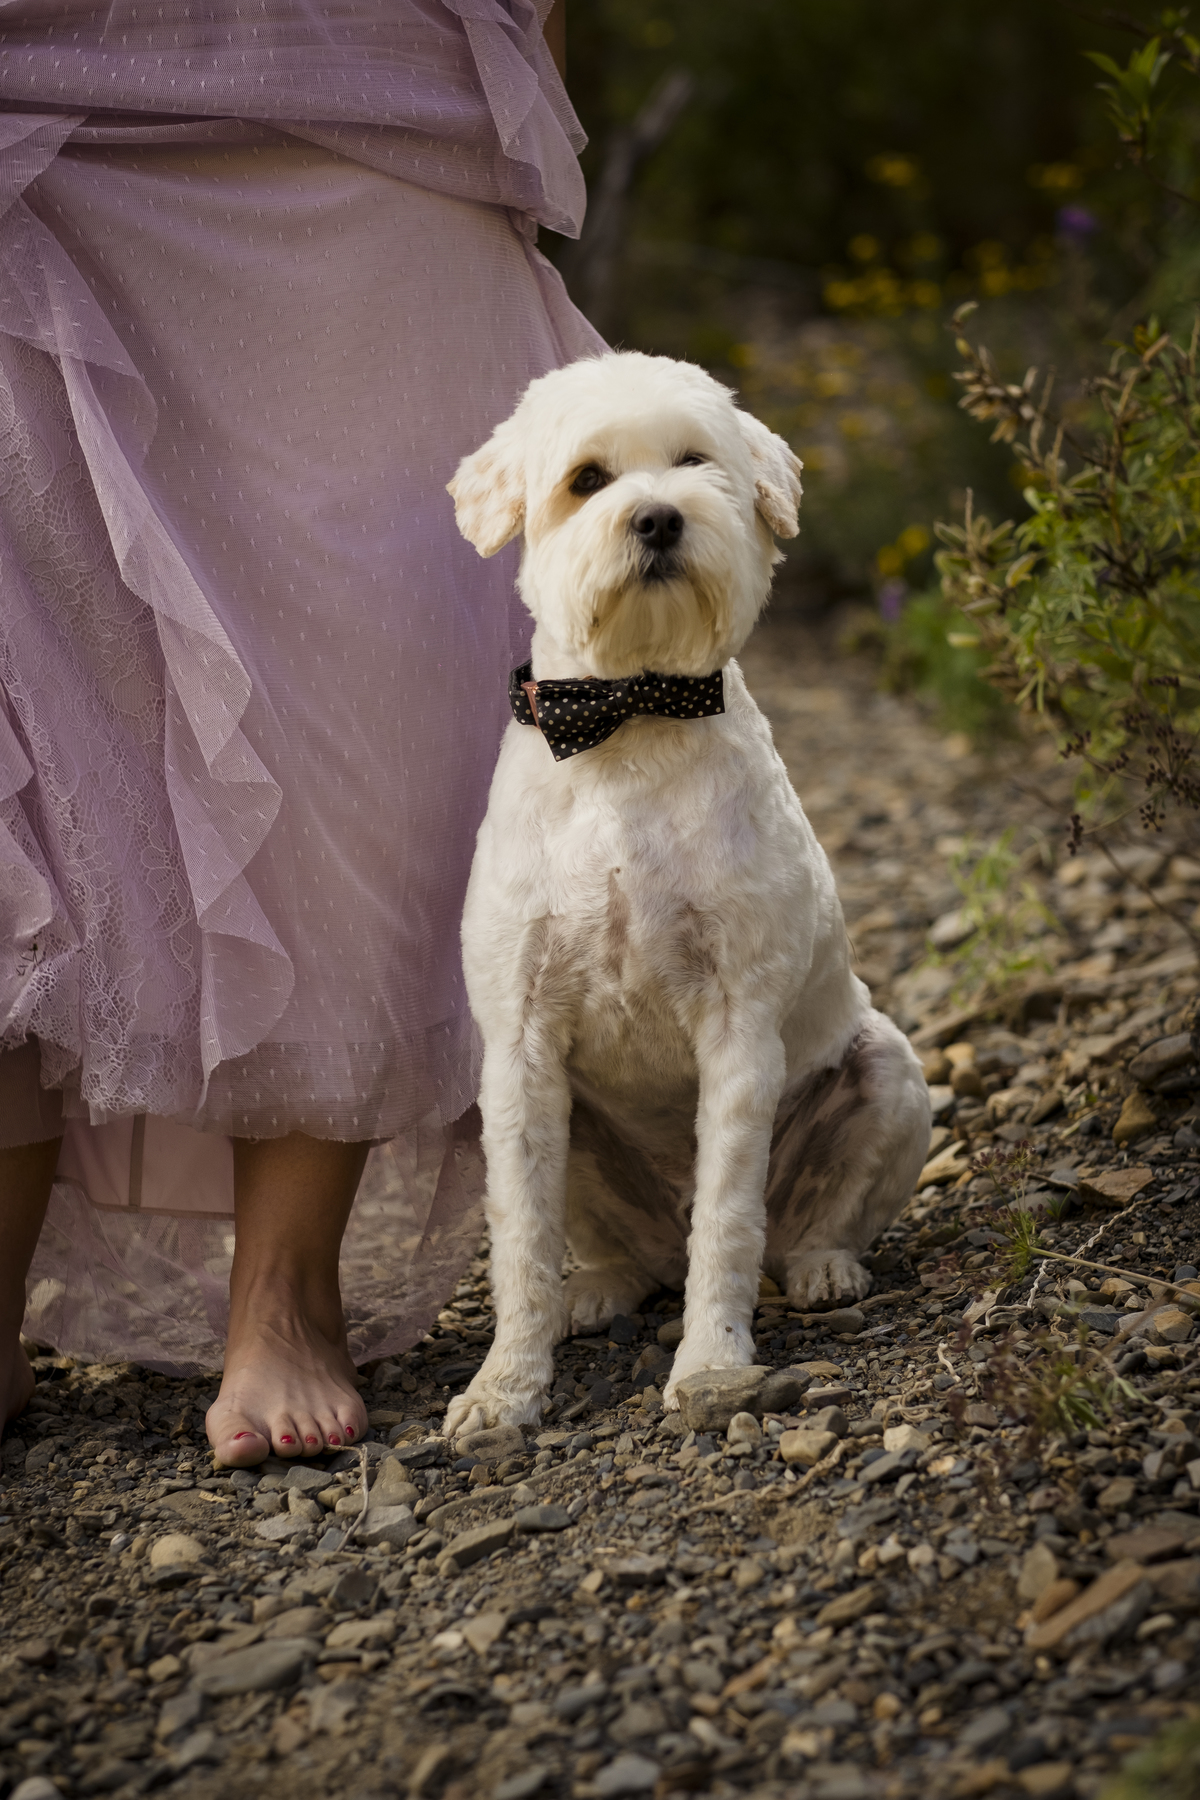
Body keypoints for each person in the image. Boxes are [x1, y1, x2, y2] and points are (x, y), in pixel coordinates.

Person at [0, 0, 602, 1465]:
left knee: (368, 679)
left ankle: (286, 1287)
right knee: (26, 705)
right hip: (37, 104)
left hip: (367, 80)